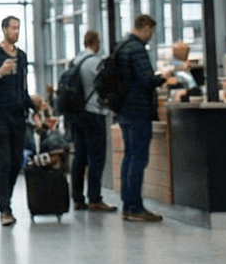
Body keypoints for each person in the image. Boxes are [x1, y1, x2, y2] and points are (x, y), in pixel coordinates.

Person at [0, 15, 38, 226]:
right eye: (13, 28)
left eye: (18, 28)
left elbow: (23, 89)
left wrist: (34, 109)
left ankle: (7, 202)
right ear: (4, 30)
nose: (16, 32)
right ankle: (5, 209)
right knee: (4, 161)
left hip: (18, 115)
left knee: (15, 161)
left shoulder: (22, 56)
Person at [110, 15, 169, 222]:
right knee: (138, 158)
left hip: (124, 110)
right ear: (144, 27)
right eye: (151, 31)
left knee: (130, 157)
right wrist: (164, 77)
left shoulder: (122, 46)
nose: (151, 36)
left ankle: (128, 205)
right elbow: (146, 80)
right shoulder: (136, 49)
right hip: (138, 111)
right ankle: (135, 207)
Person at [65, 30, 112, 212]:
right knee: (96, 157)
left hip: (76, 113)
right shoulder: (95, 61)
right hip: (93, 112)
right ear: (94, 41)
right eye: (99, 40)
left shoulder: (75, 60)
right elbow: (105, 84)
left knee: (79, 156)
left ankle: (77, 198)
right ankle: (95, 198)